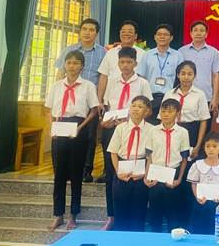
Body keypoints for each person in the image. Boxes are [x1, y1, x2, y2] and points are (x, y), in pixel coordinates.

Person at [45, 50, 99, 232]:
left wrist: (80, 127)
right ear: (65, 65)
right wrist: (52, 128)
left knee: (76, 174)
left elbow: (94, 110)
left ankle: (74, 214)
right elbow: (49, 109)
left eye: (76, 63)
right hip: (59, 126)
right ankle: (58, 214)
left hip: (78, 127)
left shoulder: (88, 86)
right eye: (69, 63)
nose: (72, 66)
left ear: (82, 66)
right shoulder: (56, 86)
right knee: (59, 174)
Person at [99, 46, 152, 231]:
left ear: (135, 63)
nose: (125, 65)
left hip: (135, 127)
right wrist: (107, 122)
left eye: (129, 62)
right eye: (122, 62)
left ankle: (137, 221)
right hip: (114, 128)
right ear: (118, 63)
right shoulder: (112, 81)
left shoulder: (142, 83)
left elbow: (146, 106)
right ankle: (112, 216)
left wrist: (131, 118)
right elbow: (108, 105)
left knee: (137, 188)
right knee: (112, 175)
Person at [54, 18, 106, 183]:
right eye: (84, 29)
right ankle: (66, 170)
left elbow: (103, 78)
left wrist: (99, 101)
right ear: (80, 31)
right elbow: (60, 73)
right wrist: (57, 95)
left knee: (89, 136)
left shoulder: (103, 53)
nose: (87, 32)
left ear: (96, 34)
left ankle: (86, 170)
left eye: (91, 30)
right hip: (69, 99)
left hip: (90, 99)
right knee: (65, 134)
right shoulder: (69, 50)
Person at [107, 96, 153, 232]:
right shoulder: (121, 128)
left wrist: (145, 173)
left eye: (140, 106)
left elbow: (151, 155)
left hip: (141, 167)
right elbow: (113, 152)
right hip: (122, 167)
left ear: (147, 111)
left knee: (139, 212)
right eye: (133, 105)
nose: (136, 109)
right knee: (121, 211)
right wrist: (118, 172)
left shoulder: (151, 129)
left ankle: (137, 239)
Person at [145, 98, 190, 232]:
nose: (166, 114)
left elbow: (184, 158)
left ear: (177, 113)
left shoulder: (183, 132)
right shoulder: (153, 130)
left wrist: (179, 179)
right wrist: (146, 176)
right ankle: (156, 236)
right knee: (155, 212)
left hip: (173, 172)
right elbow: (149, 155)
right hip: (156, 172)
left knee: (173, 212)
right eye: (163, 111)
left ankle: (173, 237)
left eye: (170, 112)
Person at [162, 61, 210, 161]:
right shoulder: (169, 94)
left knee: (187, 161)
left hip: (191, 131)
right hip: (172, 130)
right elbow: (162, 117)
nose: (186, 77)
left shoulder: (200, 95)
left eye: (190, 74)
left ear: (194, 76)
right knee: (171, 160)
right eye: (183, 74)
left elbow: (203, 121)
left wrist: (198, 145)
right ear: (178, 75)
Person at [137, 24, 184, 123]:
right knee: (150, 127)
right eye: (159, 34)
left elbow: (181, 78)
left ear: (171, 38)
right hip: (150, 97)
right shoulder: (147, 55)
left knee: (168, 127)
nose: (162, 36)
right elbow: (141, 77)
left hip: (171, 97)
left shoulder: (178, 56)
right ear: (155, 37)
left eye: (165, 34)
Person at [178, 21, 219, 125]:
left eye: (202, 30)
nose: (198, 33)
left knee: (205, 128)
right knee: (186, 127)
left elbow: (216, 76)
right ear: (191, 33)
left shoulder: (213, 52)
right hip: (186, 96)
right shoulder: (181, 51)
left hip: (206, 96)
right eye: (195, 30)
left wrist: (215, 98)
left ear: (206, 34)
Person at [187, 132, 219, 234]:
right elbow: (194, 183)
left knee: (215, 230)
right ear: (204, 148)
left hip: (218, 204)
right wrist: (197, 197)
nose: (211, 149)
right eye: (208, 146)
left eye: (214, 146)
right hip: (201, 203)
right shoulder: (197, 165)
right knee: (198, 230)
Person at [97, 20, 145, 109]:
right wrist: (99, 101)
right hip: (111, 100)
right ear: (120, 34)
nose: (126, 34)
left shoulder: (143, 54)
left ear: (135, 36)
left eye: (130, 32)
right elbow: (104, 76)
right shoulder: (110, 53)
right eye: (123, 31)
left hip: (133, 102)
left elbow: (144, 78)